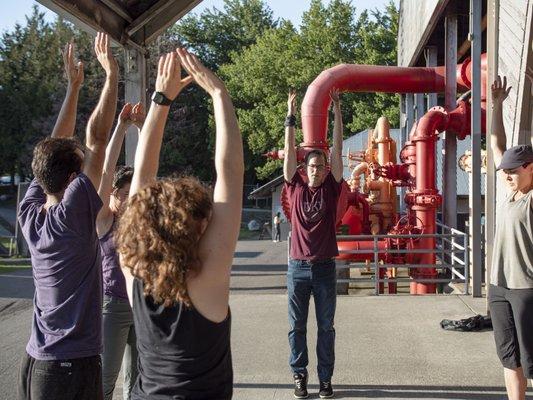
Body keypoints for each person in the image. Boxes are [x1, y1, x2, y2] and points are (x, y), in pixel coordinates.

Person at [115, 48, 243, 399]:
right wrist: (218, 94)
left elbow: (141, 175)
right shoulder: (207, 278)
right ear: (198, 227)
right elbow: (230, 173)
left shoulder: (133, 270)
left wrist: (161, 99)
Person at [17, 32, 118, 400]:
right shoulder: (71, 217)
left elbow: (53, 148)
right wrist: (111, 76)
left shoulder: (30, 211)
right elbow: (98, 138)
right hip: (69, 367)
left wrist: (74, 88)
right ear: (75, 180)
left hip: (37, 362)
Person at [283, 88, 343, 399]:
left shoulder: (332, 189)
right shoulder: (295, 187)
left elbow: (336, 149)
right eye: (311, 167)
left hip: (324, 269)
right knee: (297, 328)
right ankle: (299, 376)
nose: (316, 170)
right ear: (304, 170)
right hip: (297, 270)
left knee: (326, 328)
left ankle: (325, 380)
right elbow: (290, 152)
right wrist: (290, 116)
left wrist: (336, 113)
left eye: (320, 166)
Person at [489, 75, 533, 400]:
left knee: (532, 363)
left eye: (513, 170)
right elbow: (495, 144)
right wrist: (497, 106)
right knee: (509, 359)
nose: (506, 174)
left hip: (526, 289)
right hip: (499, 287)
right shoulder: (510, 188)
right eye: (505, 170)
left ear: (530, 167)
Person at [97, 102, 145, 400]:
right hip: (111, 307)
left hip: (139, 303)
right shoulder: (104, 220)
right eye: (122, 193)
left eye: (131, 193)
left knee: (138, 382)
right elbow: (104, 171)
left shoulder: (138, 219)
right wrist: (121, 127)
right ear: (112, 194)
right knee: (105, 380)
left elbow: (147, 170)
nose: (127, 199)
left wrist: (142, 128)